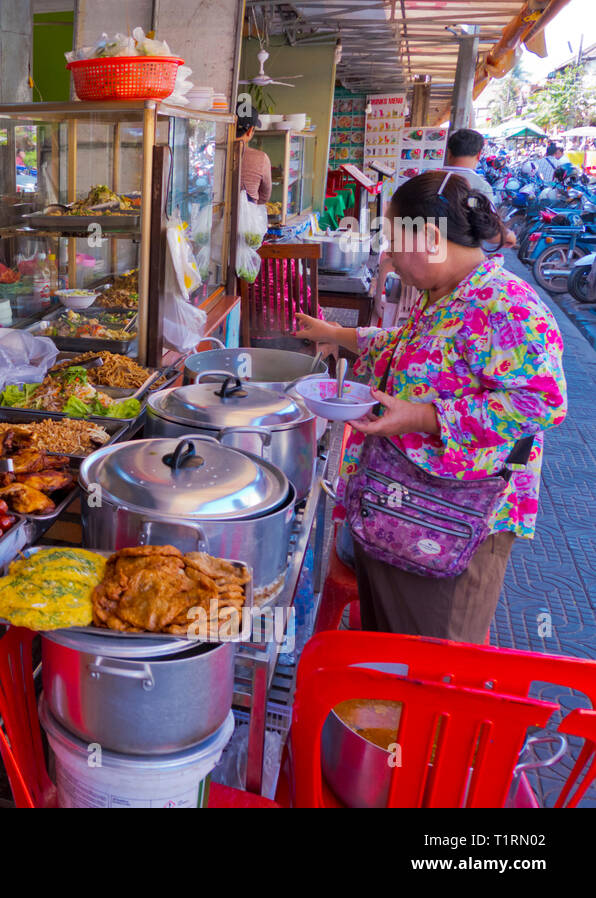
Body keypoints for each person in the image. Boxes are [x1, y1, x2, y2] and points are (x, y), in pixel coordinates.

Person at [296, 170, 567, 643]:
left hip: (456, 519)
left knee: (431, 664)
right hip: (405, 503)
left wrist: (422, 417)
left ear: (431, 237)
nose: (389, 257)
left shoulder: (504, 305)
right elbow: (410, 348)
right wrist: (335, 335)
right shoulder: (443, 294)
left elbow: (540, 402)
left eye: (395, 243)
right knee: (391, 649)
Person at [442, 128, 514, 250]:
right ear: (479, 154)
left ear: (448, 152)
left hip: (425, 254)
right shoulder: (482, 187)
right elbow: (489, 231)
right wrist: (507, 236)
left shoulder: (427, 179)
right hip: (463, 257)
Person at [235, 106, 272, 204]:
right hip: (246, 216)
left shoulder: (215, 152)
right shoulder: (261, 158)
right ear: (250, 130)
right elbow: (264, 196)